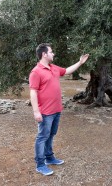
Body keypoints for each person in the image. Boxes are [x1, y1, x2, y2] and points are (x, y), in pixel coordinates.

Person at [29, 43, 89, 176]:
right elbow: (33, 92)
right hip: (45, 112)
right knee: (42, 137)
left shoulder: (53, 68)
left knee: (51, 135)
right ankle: (40, 164)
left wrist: (80, 62)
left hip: (56, 110)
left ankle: (50, 157)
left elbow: (67, 70)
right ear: (44, 54)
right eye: (51, 52)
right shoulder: (36, 72)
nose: (53, 53)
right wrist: (36, 111)